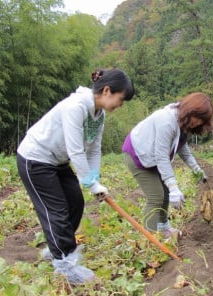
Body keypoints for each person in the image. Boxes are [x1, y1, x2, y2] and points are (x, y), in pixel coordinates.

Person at [16, 68, 135, 284]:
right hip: (35, 159)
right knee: (57, 211)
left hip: (57, 161)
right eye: (121, 99)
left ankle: (57, 250)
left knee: (75, 202)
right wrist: (90, 183)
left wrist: (95, 176)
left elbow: (94, 148)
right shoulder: (76, 107)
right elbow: (76, 150)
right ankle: (64, 265)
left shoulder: (99, 115)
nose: (121, 105)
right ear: (107, 91)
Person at [122, 92, 213, 239]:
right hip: (137, 154)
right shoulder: (167, 120)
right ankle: (150, 240)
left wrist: (198, 170)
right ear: (190, 110)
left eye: (201, 120)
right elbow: (161, 155)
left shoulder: (184, 125)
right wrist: (173, 186)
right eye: (197, 117)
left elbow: (183, 150)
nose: (197, 123)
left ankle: (163, 228)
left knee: (165, 195)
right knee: (156, 197)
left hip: (153, 158)